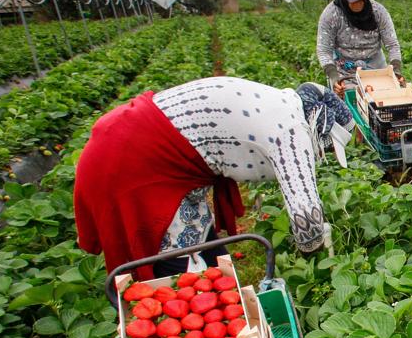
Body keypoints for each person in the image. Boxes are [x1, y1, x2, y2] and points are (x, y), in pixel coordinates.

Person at [75, 77, 355, 279]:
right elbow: (306, 217)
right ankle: (188, 318)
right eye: (329, 147)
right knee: (181, 260)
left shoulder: (283, 103)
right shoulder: (293, 131)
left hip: (132, 138)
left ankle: (216, 292)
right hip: (134, 160)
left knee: (205, 243)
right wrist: (323, 267)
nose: (326, 154)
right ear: (320, 127)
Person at [316, 0, 403, 95]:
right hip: (345, 72)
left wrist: (396, 70)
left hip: (376, 70)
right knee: (349, 105)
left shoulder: (378, 11)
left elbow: (392, 44)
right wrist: (334, 76)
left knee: (383, 102)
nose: (358, 4)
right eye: (353, 0)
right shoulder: (331, 15)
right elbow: (324, 50)